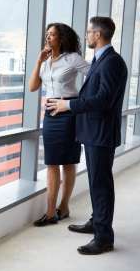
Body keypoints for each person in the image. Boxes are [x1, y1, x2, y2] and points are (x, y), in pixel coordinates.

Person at [46, 16, 128, 255]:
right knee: (96, 182)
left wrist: (68, 106)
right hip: (94, 132)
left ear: (98, 35)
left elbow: (103, 100)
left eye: (90, 32)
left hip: (100, 133)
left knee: (101, 184)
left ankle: (103, 238)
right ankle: (97, 222)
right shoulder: (102, 60)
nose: (87, 35)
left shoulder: (111, 62)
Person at [29, 23, 91, 227]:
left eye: (53, 34)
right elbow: (32, 87)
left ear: (62, 38)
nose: (48, 37)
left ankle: (63, 207)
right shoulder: (46, 62)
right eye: (47, 34)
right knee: (52, 162)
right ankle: (50, 212)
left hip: (68, 113)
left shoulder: (72, 58)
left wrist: (75, 102)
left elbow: (95, 75)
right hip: (50, 115)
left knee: (68, 162)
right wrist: (39, 61)